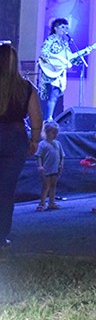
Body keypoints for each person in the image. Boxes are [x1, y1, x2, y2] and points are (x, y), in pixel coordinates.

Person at [0, 44, 43, 247]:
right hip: (15, 138)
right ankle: (1, 235)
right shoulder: (26, 88)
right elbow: (36, 119)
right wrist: (34, 139)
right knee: (6, 190)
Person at [38, 18, 96, 121]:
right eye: (63, 27)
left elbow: (70, 58)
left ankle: (50, 118)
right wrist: (59, 58)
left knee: (56, 94)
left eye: (67, 28)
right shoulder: (50, 40)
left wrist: (88, 49)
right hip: (52, 68)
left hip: (59, 71)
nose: (65, 30)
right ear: (55, 28)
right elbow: (44, 53)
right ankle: (48, 118)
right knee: (53, 94)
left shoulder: (65, 43)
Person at [35, 120, 64, 211]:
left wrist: (61, 165)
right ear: (47, 132)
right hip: (46, 169)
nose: (55, 135)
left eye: (56, 133)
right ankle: (42, 203)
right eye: (53, 132)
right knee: (46, 186)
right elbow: (38, 156)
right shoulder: (42, 144)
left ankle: (52, 202)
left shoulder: (58, 144)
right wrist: (40, 166)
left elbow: (62, 155)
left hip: (55, 169)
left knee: (53, 185)